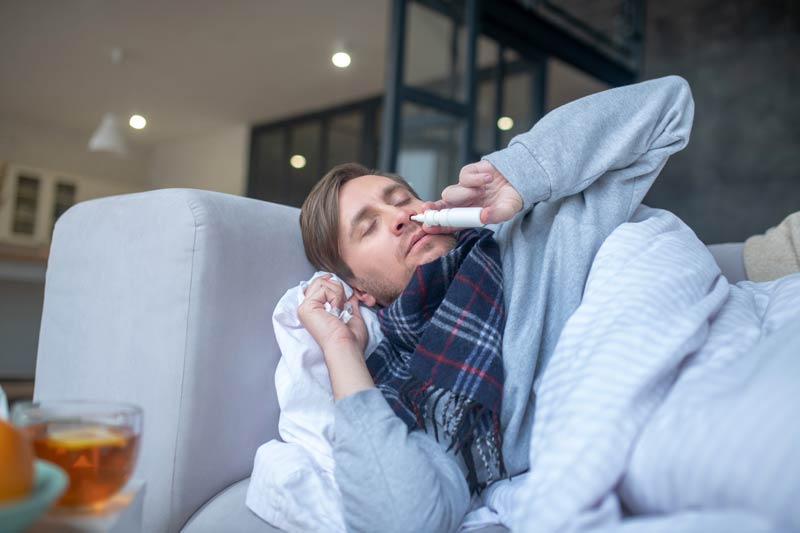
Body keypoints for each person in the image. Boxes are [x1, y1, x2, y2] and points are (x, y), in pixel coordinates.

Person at [295, 75, 798, 531]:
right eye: (370, 226)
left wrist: (522, 172)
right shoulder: (415, 390)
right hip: (664, 438)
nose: (399, 217)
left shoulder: (535, 227)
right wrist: (339, 345)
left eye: (401, 199)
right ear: (359, 290)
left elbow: (667, 107)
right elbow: (404, 518)